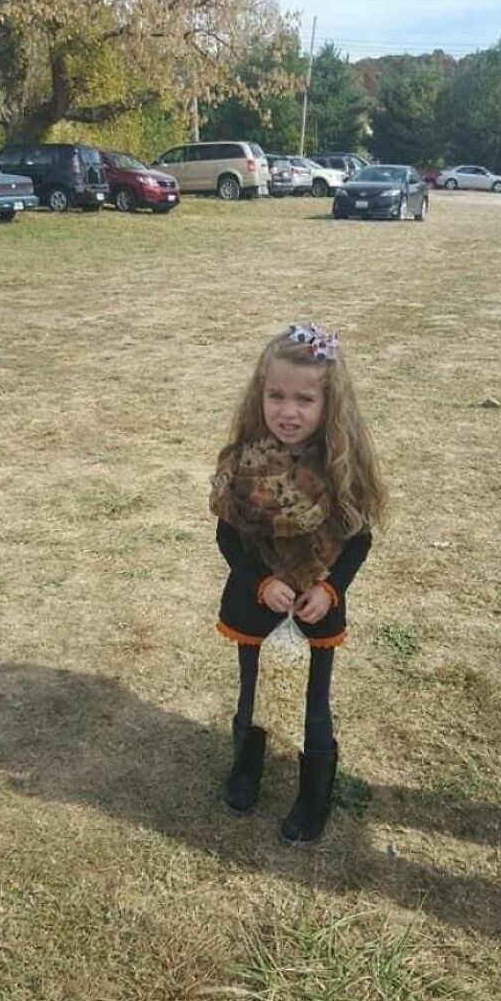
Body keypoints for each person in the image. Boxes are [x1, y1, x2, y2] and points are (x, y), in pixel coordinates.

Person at [209, 322, 387, 844]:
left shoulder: (340, 468)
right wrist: (261, 581)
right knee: (252, 695)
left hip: (316, 609)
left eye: (305, 399)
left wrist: (330, 590)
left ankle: (315, 795)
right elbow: (229, 539)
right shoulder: (244, 463)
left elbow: (357, 542)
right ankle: (247, 766)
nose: (289, 411)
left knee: (314, 705)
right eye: (276, 396)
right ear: (259, 396)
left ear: (329, 404)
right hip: (254, 605)